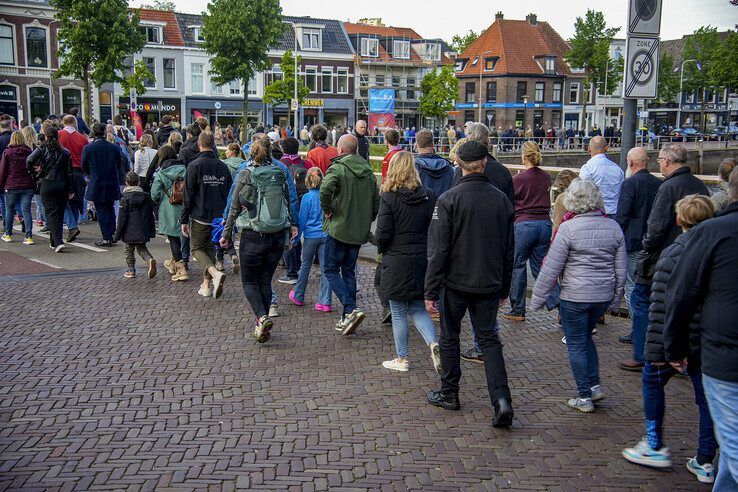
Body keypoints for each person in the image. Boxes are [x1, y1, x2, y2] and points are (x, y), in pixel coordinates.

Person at [622, 195, 717, 483]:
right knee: (705, 399)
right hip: (705, 338)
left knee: (652, 381)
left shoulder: (673, 253)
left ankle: (654, 444)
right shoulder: (717, 251)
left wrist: (663, 348)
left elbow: (663, 305)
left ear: (678, 220)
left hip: (674, 339)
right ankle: (705, 459)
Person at [424, 140, 514, 428]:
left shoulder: (448, 200)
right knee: (488, 339)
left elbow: (438, 250)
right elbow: (508, 249)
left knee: (450, 336)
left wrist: (430, 289)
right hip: (488, 281)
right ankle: (501, 400)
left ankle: (450, 392)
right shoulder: (501, 200)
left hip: (456, 282)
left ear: (459, 165)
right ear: (485, 162)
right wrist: (505, 287)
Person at [662, 168, 738, 490]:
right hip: (723, 353)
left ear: (730, 189)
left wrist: (674, 348)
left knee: (734, 448)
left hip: (725, 356)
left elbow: (681, 295)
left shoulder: (712, 233)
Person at [531, 179, 626, 412]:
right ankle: (594, 385)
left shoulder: (568, 229)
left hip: (575, 295)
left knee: (575, 344)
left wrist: (537, 299)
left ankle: (584, 396)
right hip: (601, 296)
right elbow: (620, 269)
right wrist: (615, 300)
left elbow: (551, 268)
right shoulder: (613, 227)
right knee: (586, 338)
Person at [619, 144, 708, 371]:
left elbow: (656, 227)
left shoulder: (668, 187)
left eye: (660, 160)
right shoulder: (699, 185)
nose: (659, 164)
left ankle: (643, 353)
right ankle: (680, 354)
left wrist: (646, 251)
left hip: (662, 256)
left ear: (667, 161)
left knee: (641, 300)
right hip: (694, 254)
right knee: (681, 306)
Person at [221, 136, 297, 342]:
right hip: (277, 236)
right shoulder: (280, 173)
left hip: (253, 236)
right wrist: (291, 229)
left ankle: (261, 317)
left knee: (249, 281)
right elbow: (289, 203)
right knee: (265, 280)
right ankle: (262, 325)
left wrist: (226, 234)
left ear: (252, 153)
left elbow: (234, 207)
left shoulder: (246, 174)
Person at [376, 151, 440, 373]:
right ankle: (433, 343)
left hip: (396, 258)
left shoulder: (389, 196)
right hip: (422, 258)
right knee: (418, 307)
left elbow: (383, 232)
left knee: (398, 310)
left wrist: (382, 250)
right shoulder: (429, 196)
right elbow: (436, 229)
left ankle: (402, 358)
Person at [320, 134, 379, 336]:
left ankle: (350, 307)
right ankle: (347, 315)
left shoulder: (338, 168)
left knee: (329, 270)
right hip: (358, 230)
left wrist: (327, 210)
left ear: (341, 149)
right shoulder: (369, 171)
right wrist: (368, 219)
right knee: (349, 271)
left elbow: (325, 189)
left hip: (338, 228)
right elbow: (375, 201)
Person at [614, 147, 661, 344]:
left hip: (633, 242)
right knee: (650, 287)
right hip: (654, 242)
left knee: (632, 286)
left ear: (630, 163)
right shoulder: (659, 184)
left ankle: (637, 330)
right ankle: (650, 328)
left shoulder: (630, 184)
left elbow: (622, 215)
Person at [503, 141, 551, 322]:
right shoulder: (546, 176)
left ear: (523, 156)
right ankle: (560, 305)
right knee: (541, 268)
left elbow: (510, 200)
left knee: (518, 265)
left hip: (525, 224)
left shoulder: (519, 179)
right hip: (545, 223)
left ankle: (518, 309)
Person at [181, 131, 232, 299]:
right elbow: (229, 193)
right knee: (209, 249)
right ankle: (206, 285)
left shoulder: (194, 166)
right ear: (214, 145)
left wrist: (184, 219)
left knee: (196, 248)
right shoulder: (223, 166)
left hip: (200, 215)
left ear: (199, 144)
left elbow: (188, 196)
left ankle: (214, 274)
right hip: (219, 216)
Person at [288, 167, 332, 313]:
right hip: (325, 236)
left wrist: (295, 239)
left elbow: (302, 220)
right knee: (325, 269)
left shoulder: (306, 198)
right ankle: (325, 301)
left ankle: (299, 295)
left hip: (310, 237)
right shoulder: (327, 196)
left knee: (305, 265)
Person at [26, 127, 74, 252]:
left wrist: (35, 173)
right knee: (59, 213)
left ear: (46, 136)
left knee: (51, 213)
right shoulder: (65, 152)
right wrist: (71, 188)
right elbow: (70, 172)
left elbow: (29, 160)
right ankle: (55, 241)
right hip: (62, 184)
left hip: (47, 183)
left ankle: (57, 242)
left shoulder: (42, 148)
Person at [82, 123, 126, 247]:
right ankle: (111, 234)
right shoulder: (114, 147)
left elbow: (84, 164)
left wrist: (91, 174)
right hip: (111, 180)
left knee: (101, 210)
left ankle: (106, 236)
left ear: (94, 133)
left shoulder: (89, 148)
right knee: (110, 208)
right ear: (105, 133)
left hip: (97, 181)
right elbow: (119, 164)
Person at [450, 123, 514, 206]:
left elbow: (451, 200)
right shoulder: (502, 171)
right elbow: (510, 206)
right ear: (488, 140)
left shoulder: (460, 170)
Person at [150, 145, 188, 282]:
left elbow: (154, 194)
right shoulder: (185, 170)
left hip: (168, 208)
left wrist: (163, 197)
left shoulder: (161, 173)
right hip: (186, 208)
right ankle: (173, 263)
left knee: (173, 239)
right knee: (184, 237)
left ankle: (181, 268)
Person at [114, 171, 157, 279]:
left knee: (128, 250)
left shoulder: (125, 198)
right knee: (142, 248)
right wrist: (151, 231)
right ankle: (149, 260)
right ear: (138, 183)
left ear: (126, 183)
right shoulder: (145, 197)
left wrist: (117, 234)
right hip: (142, 228)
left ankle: (131, 270)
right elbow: (150, 216)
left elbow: (122, 219)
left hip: (129, 229)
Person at [277, 137, 307, 285]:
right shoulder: (305, 163)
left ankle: (290, 272)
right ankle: (298, 266)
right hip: (303, 204)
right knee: (297, 235)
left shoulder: (280, 165)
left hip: (287, 205)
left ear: (282, 148)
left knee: (287, 236)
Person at [58, 115, 89, 243]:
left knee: (62, 201)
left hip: (63, 172)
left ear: (63, 122)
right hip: (79, 172)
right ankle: (73, 226)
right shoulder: (83, 138)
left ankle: (72, 226)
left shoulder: (59, 135)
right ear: (75, 123)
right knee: (75, 202)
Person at [0, 131, 34, 244]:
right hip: (27, 184)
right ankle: (29, 236)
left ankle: (8, 234)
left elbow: (3, 170)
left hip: (11, 185)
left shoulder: (7, 153)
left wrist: (1, 184)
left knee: (9, 210)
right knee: (26, 211)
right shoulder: (29, 151)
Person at [578, 136, 624, 216]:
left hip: (596, 213)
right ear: (606, 148)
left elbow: (582, 191)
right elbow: (622, 191)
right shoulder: (617, 169)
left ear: (589, 149)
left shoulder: (587, 168)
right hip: (615, 211)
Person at [414, 129, 454, 198]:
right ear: (433, 144)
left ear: (417, 145)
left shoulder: (412, 167)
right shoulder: (448, 167)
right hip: (443, 206)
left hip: (423, 206)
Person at [551, 170, 577, 235]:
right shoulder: (587, 196)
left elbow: (557, 225)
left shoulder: (562, 198)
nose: (558, 191)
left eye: (560, 188)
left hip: (568, 235)